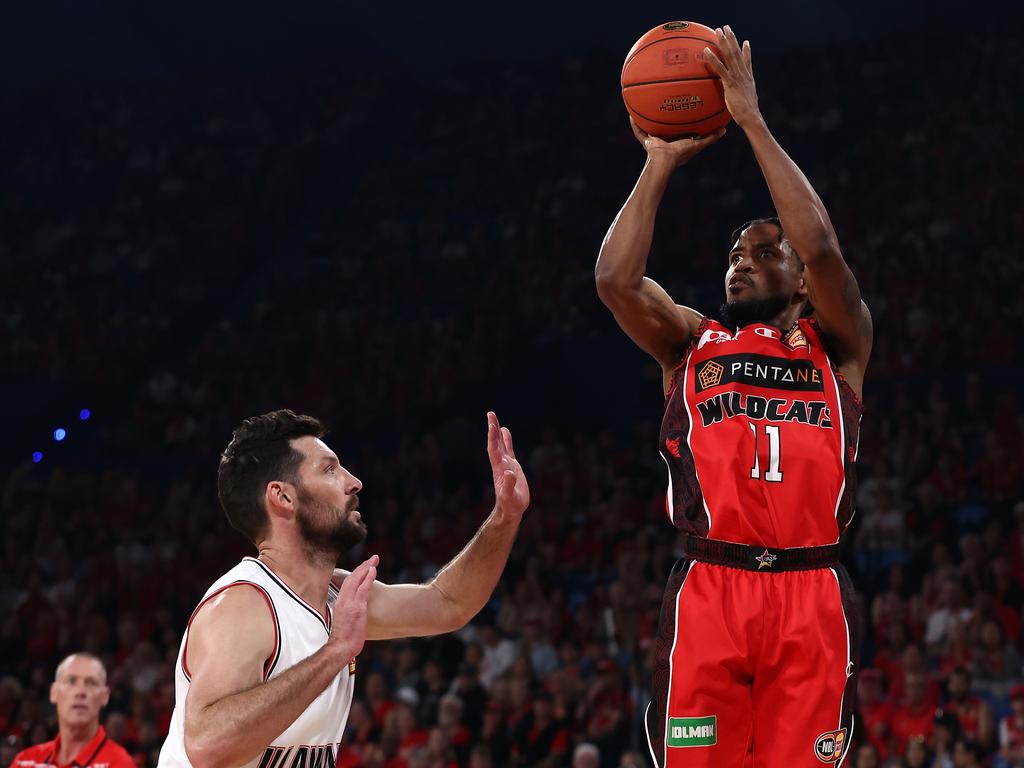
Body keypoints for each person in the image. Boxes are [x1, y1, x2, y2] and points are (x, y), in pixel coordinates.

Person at [595, 25, 872, 768]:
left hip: (811, 593)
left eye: (761, 252)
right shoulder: (692, 342)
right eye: (733, 255)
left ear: (803, 284)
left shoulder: (838, 345)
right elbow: (615, 282)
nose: (740, 264)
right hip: (710, 589)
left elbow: (821, 247)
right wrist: (657, 164)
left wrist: (749, 118)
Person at [157, 409, 529, 767]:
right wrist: (335, 651)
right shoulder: (244, 604)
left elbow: (449, 603)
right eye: (329, 469)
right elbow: (207, 747)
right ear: (283, 497)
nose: (354, 481)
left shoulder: (335, 593)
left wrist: (504, 518)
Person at [9, 653, 134, 768]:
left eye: (91, 683)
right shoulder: (25, 762)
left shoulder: (119, 763)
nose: (80, 692)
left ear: (104, 696)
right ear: (54, 693)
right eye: (71, 681)